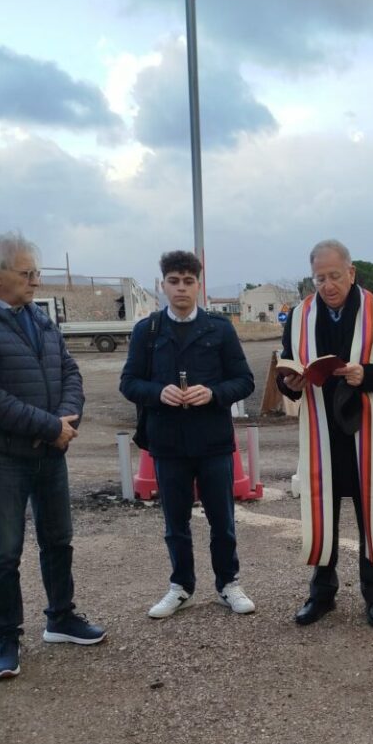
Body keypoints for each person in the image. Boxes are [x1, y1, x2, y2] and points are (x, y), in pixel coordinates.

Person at [0, 232, 106, 680]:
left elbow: (68, 370)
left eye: (36, 273)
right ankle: (6, 638)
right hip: (5, 456)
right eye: (26, 274)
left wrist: (69, 417)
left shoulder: (37, 318)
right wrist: (51, 427)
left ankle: (61, 618)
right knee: (5, 552)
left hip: (51, 451)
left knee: (58, 540)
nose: (35, 281)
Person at [278, 239, 373, 629]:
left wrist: (365, 374)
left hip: (366, 428)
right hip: (321, 432)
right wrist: (292, 384)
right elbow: (287, 373)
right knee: (321, 512)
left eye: (335, 276)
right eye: (320, 278)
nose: (328, 285)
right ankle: (321, 593)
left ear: (351, 273)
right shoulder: (300, 316)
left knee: (371, 513)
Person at [120, 250, 256, 619]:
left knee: (222, 520)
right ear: (163, 284)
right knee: (175, 523)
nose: (181, 288)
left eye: (188, 281)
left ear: (199, 284)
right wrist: (156, 392)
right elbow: (129, 382)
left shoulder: (220, 328)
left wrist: (213, 393)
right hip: (167, 443)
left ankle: (229, 584)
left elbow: (244, 380)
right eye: (174, 281)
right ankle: (181, 587)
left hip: (212, 440)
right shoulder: (146, 331)